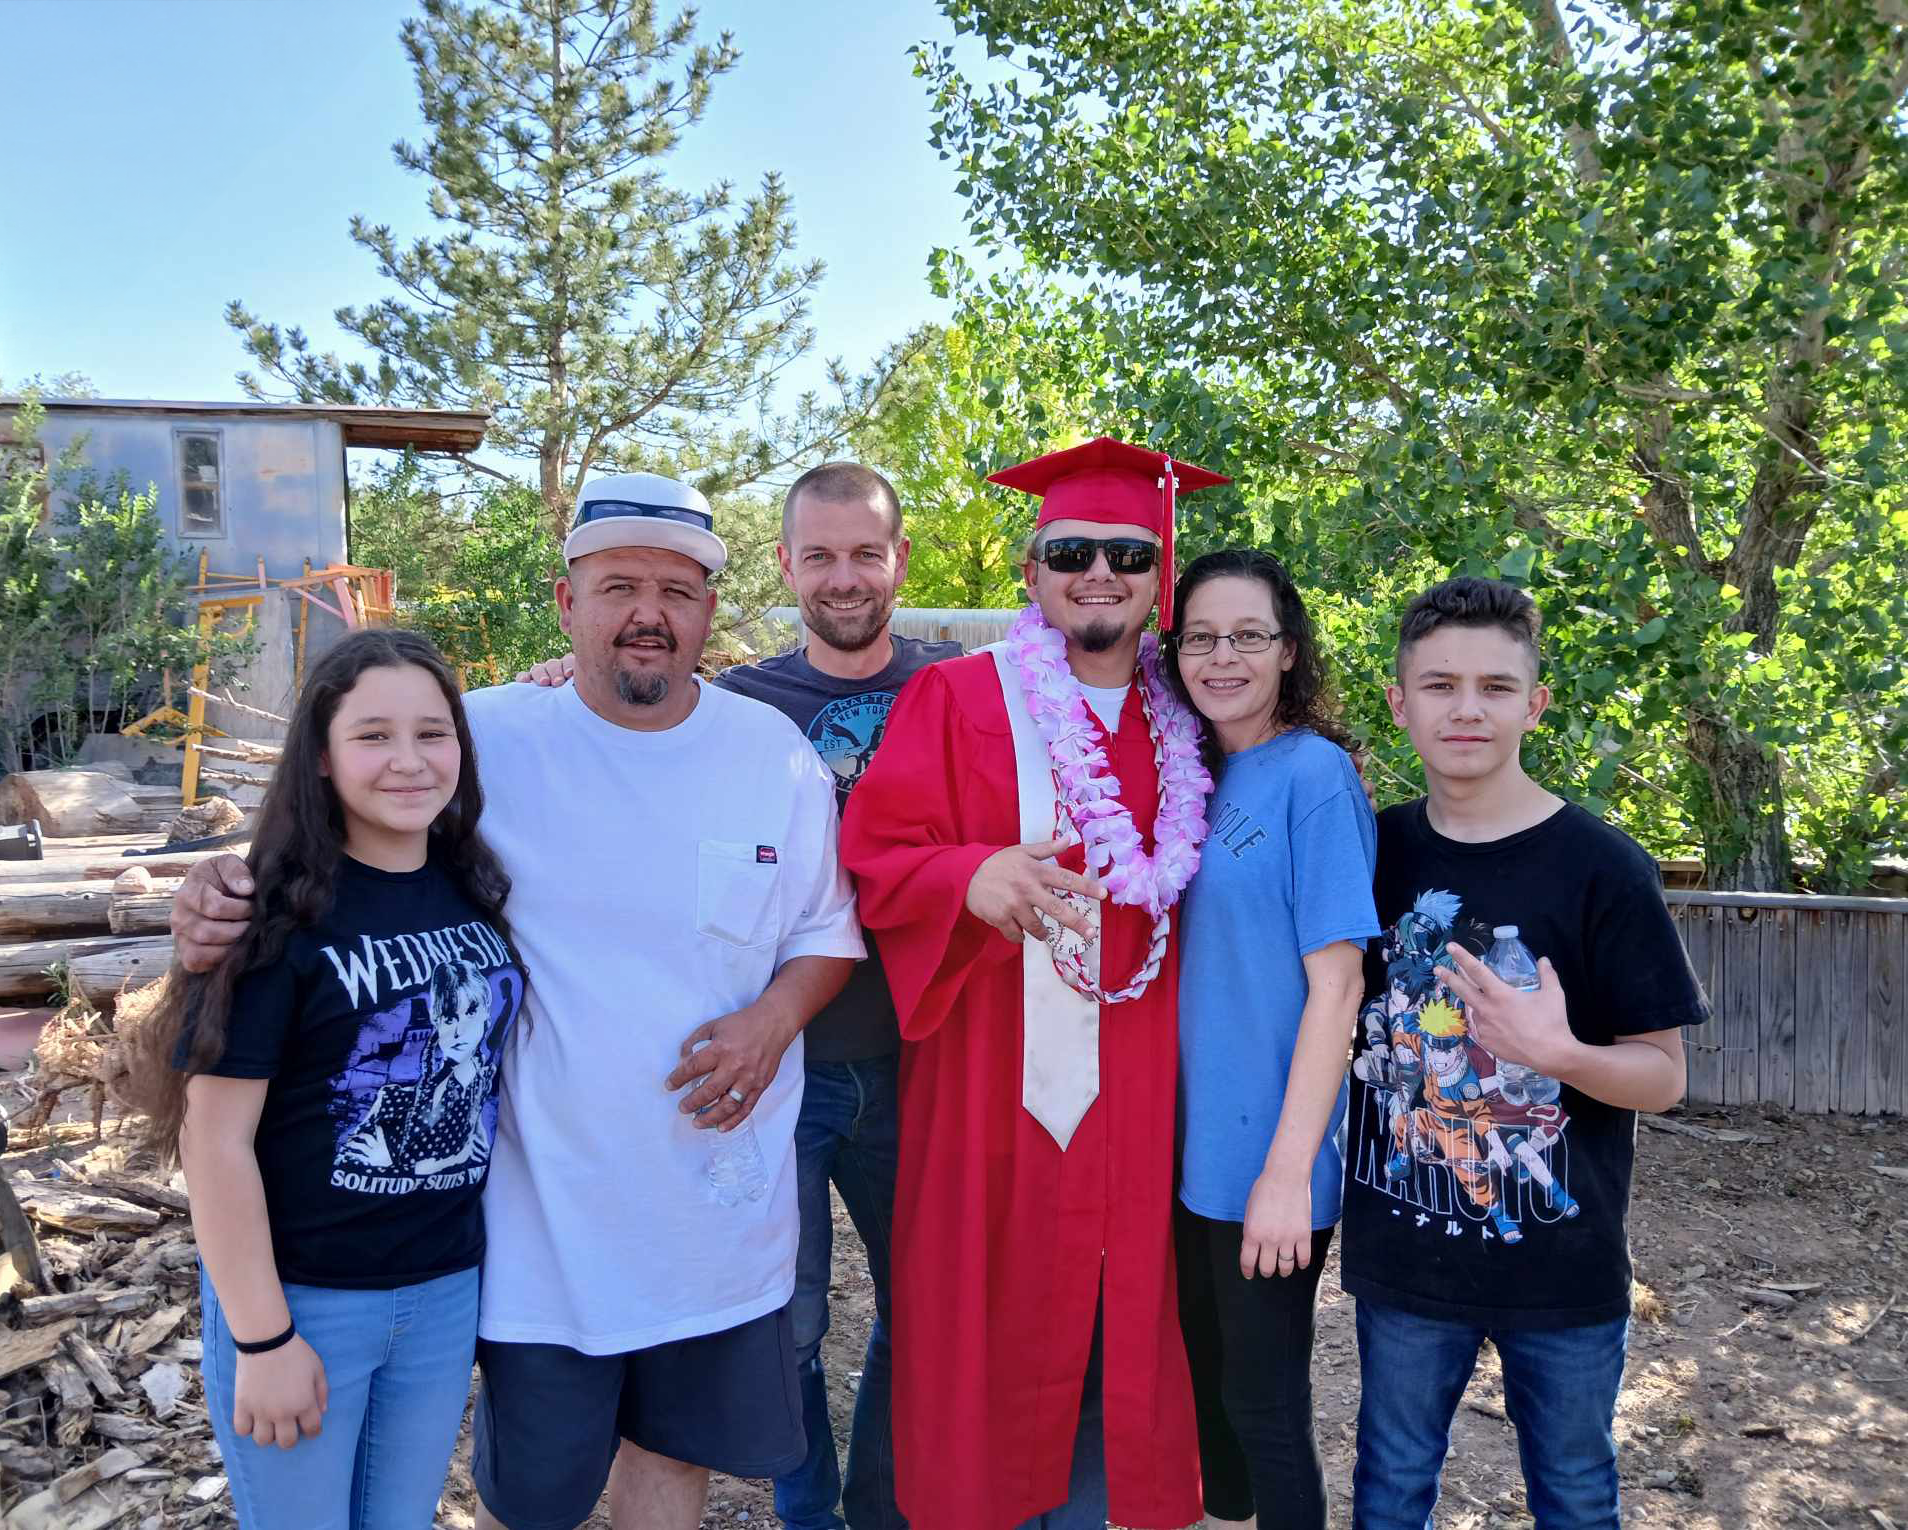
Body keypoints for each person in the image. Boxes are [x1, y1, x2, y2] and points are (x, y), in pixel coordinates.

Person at [171, 472, 865, 1530]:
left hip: (717, 1214)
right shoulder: (483, 740)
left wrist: (773, 1022)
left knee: (674, 1457)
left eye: (677, 591)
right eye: (619, 586)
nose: (648, 613)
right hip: (541, 1228)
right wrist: (222, 889)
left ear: (710, 610)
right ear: (566, 602)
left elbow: (824, 930)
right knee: (533, 1497)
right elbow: (341, 829)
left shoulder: (770, 754)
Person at [523, 460, 952, 1530]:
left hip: (926, 1057)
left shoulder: (961, 690)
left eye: (866, 553)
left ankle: (883, 1511)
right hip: (776, 1080)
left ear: (900, 560)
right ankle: (808, 1512)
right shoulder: (749, 704)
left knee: (928, 1311)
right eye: (821, 555)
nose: (844, 576)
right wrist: (561, 680)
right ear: (785, 567)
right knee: (783, 1325)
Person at [840, 437, 1225, 1530]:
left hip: (1145, 1089)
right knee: (981, 1322)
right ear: (1032, 569)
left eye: (1128, 554)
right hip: (991, 1085)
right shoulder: (958, 697)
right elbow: (873, 853)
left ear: (1160, 577)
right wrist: (966, 876)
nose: (1098, 573)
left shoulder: (1192, 720)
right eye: (1071, 552)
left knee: (1124, 1320)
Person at [1342, 576, 1707, 1530]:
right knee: (1388, 1493)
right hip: (1405, 1258)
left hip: (1566, 1268)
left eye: (1496, 687)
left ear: (1535, 705)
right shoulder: (1366, 854)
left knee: (1577, 1498)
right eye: (1440, 684)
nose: (1467, 709)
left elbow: (1664, 1077)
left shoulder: (1605, 870)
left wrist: (1559, 1052)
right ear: (1399, 702)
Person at [143, 628, 524, 1530]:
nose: (408, 761)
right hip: (306, 1300)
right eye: (373, 735)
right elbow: (214, 1139)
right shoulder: (271, 914)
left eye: (432, 733)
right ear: (321, 755)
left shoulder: (473, 884)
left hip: (442, 1292)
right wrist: (263, 1335)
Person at [1160, 550, 1380, 1530]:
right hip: (1186, 1140)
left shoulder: (1314, 777)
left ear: (1289, 650)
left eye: (1248, 636)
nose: (1223, 657)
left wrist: (1289, 1173)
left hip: (1271, 1150)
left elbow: (1340, 986)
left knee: (1263, 1401)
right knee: (1204, 1386)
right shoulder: (1190, 770)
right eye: (1201, 637)